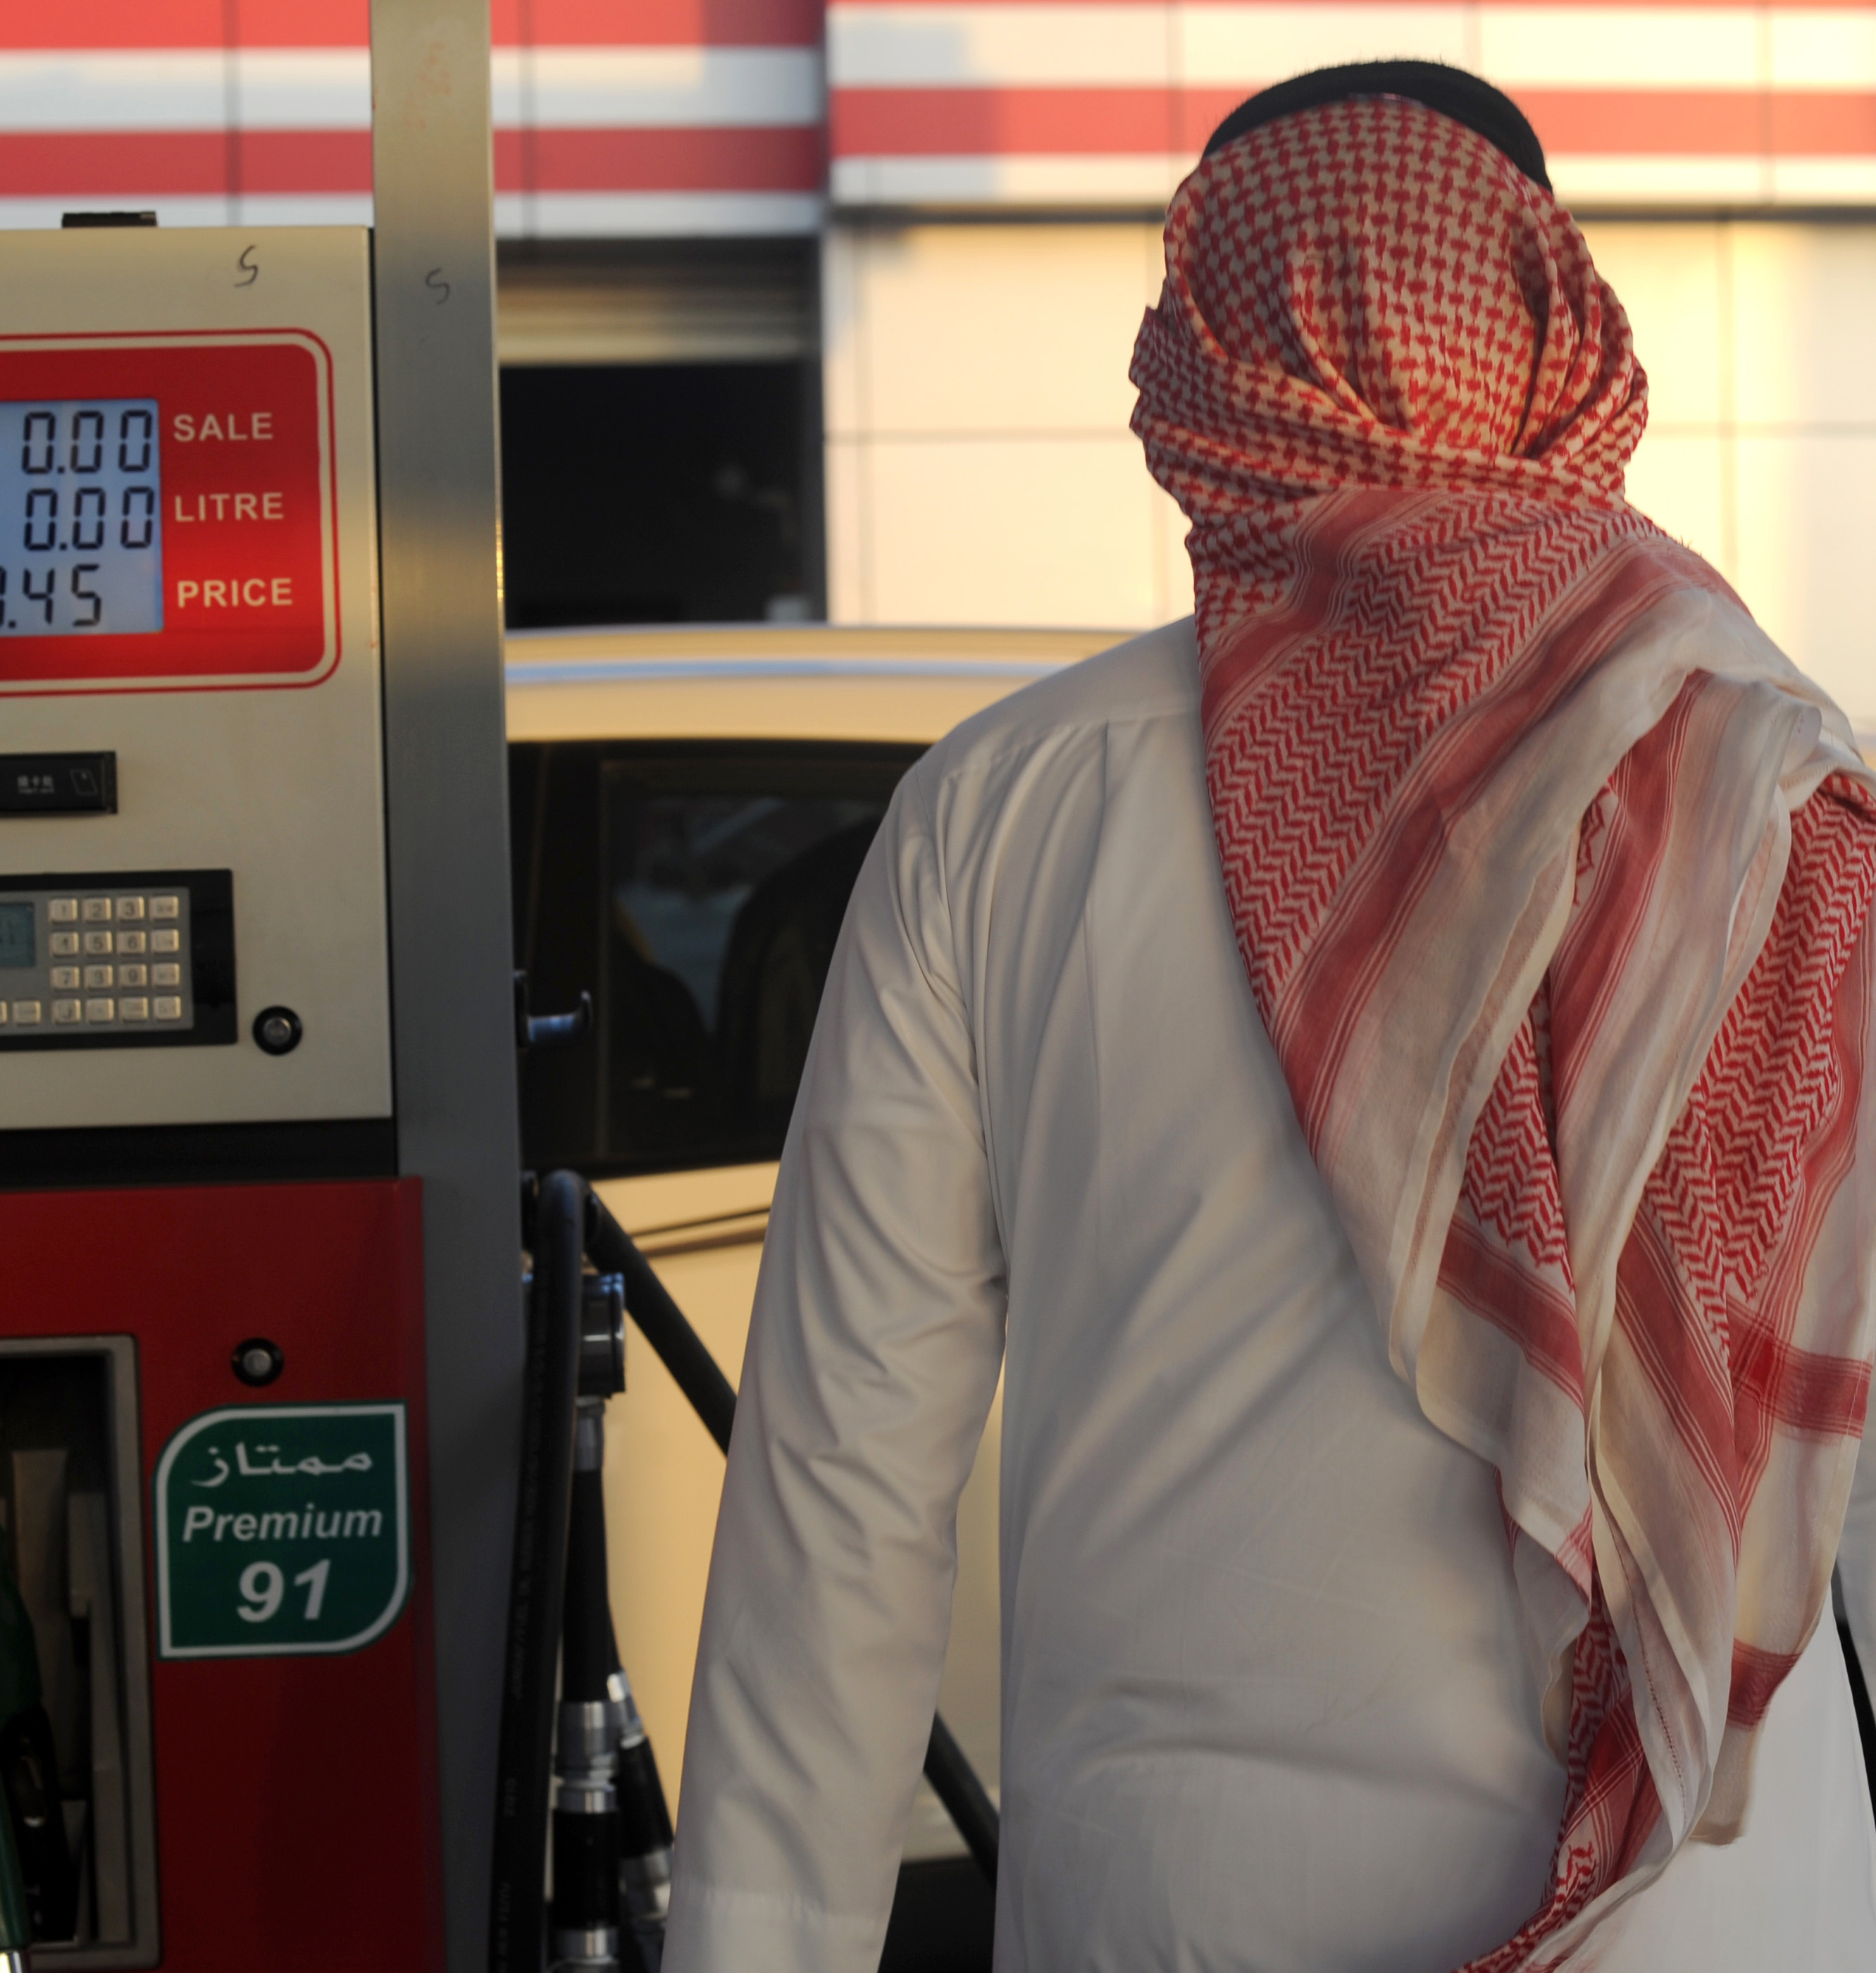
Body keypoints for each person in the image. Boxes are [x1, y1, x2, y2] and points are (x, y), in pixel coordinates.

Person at [660, 63, 1876, 1972]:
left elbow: (840, 1490)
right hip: (1711, 1905)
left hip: (1181, 1908)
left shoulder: (1002, 811)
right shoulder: (1779, 788)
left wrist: (759, 1949)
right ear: (1554, 328)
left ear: (1195, 368)